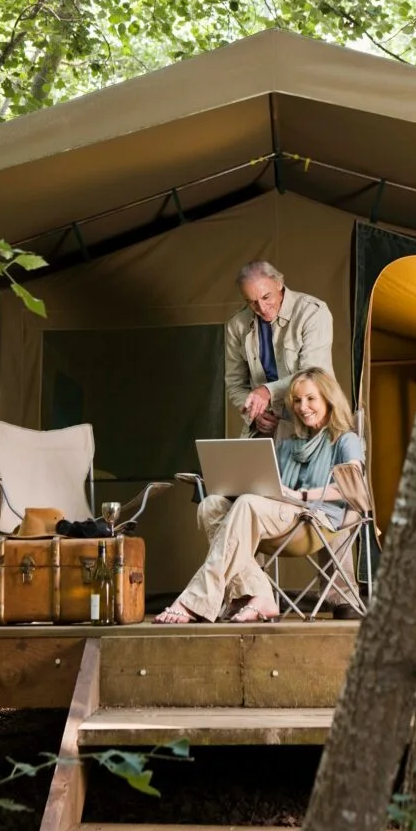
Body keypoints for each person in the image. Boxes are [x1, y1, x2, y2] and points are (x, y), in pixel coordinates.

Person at [154, 368, 363, 624]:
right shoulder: (289, 443)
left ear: (328, 399)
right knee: (210, 505)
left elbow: (352, 487)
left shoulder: (346, 440)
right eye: (297, 400)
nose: (302, 407)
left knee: (249, 504)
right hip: (282, 512)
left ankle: (195, 600)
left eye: (311, 399)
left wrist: (302, 494)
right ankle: (259, 594)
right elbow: (274, 488)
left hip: (315, 520)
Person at [225, 261, 333, 438]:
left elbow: (313, 375)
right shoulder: (237, 325)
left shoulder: (313, 312)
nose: (261, 308)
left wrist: (267, 391)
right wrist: (255, 414)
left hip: (311, 421)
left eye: (266, 297)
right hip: (265, 426)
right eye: (252, 302)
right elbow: (235, 384)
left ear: (279, 283)